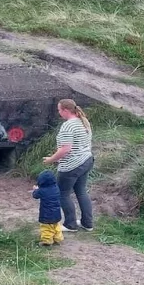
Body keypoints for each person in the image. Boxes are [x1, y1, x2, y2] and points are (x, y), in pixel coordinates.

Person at [43, 97, 94, 232]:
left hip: (72, 165)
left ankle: (70, 224)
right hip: (86, 160)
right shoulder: (83, 121)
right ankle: (87, 223)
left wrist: (51, 159)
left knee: (62, 193)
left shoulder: (68, 125)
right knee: (81, 192)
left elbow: (66, 149)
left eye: (59, 110)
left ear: (65, 110)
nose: (59, 112)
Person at [32, 169, 64, 246]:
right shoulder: (56, 188)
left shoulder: (42, 190)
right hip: (57, 213)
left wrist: (35, 190)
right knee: (56, 226)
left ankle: (47, 241)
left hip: (46, 215)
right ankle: (58, 238)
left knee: (46, 228)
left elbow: (35, 195)